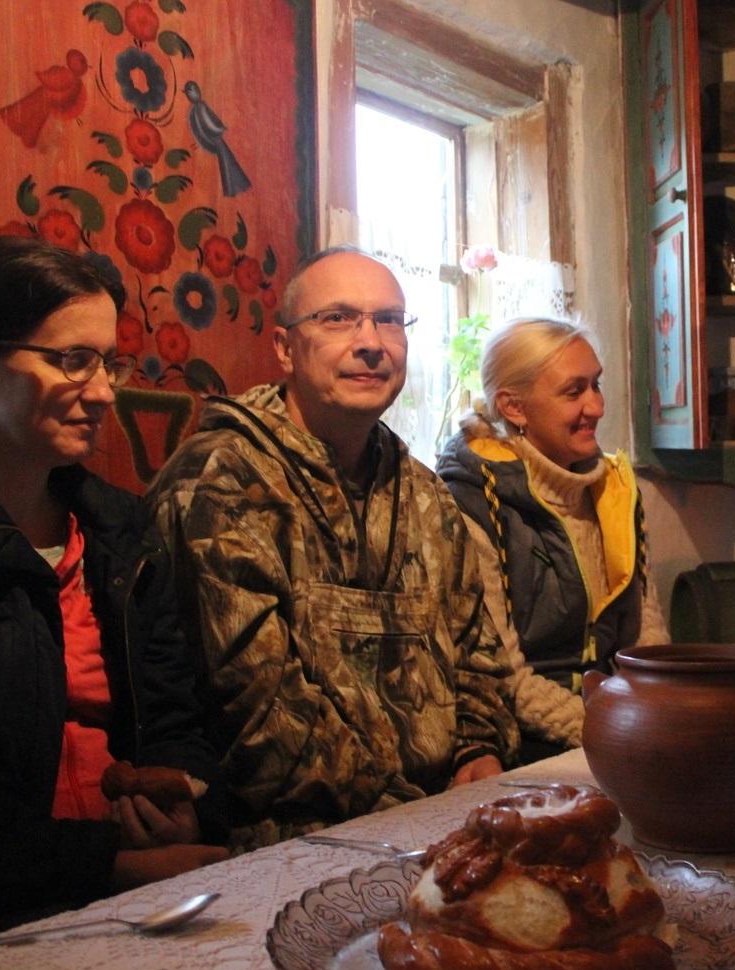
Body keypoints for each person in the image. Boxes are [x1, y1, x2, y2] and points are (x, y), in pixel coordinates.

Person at [0, 237, 227, 953]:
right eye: (71, 361)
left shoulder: (117, 527)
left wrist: (184, 803)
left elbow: (178, 717)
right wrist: (105, 864)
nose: (106, 391)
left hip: (136, 897)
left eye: (107, 362)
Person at [147, 245, 519, 851]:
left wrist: (477, 750)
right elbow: (256, 712)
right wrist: (412, 817)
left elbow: (480, 655)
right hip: (288, 840)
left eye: (390, 320)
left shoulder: (424, 493)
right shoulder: (221, 481)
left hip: (439, 821)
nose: (371, 341)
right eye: (338, 318)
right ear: (284, 348)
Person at [435, 318, 669, 762]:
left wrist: (657, 710)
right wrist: (614, 728)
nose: (596, 407)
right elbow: (504, 675)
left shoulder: (614, 490)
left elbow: (646, 635)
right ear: (513, 407)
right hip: (528, 746)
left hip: (620, 727)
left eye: (596, 385)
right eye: (574, 391)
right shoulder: (472, 502)